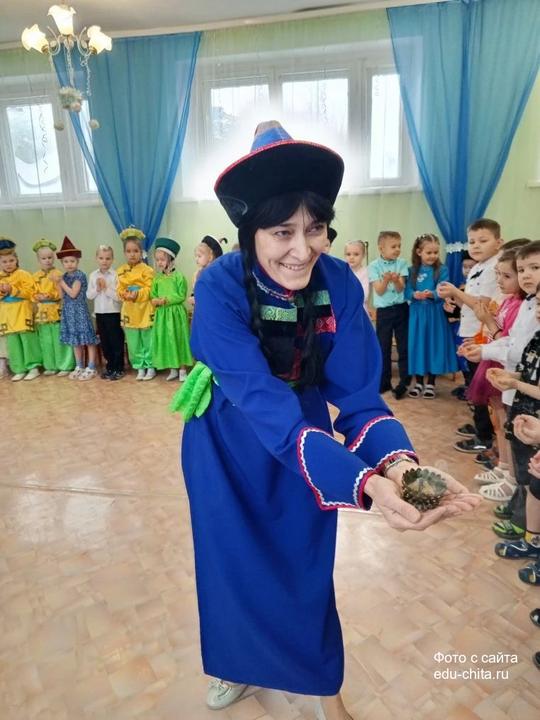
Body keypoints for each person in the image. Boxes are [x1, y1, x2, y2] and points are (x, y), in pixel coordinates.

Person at [176, 120, 480, 720]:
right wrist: (362, 483)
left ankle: (323, 693)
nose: (302, 249)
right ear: (250, 232)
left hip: (306, 429)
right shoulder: (218, 285)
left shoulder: (338, 280)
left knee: (303, 564)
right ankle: (236, 665)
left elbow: (361, 398)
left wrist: (400, 468)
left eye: (314, 228)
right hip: (228, 438)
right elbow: (262, 402)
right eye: (281, 231)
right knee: (231, 563)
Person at [466, 242, 540, 541]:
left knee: (529, 465)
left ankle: (525, 525)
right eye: (522, 269)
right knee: (521, 455)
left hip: (528, 394)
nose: (526, 275)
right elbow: (514, 344)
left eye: (534, 268)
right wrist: (483, 351)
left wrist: (514, 379)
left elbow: (520, 350)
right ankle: (520, 512)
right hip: (519, 388)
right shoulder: (529, 304)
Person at [438, 218, 502, 453]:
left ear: (498, 242)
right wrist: (453, 300)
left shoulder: (494, 268)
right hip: (469, 333)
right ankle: (479, 425)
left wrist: (456, 291)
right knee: (471, 384)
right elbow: (468, 302)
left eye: (482, 241)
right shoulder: (476, 267)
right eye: (472, 241)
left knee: (481, 389)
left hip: (482, 336)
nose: (475, 246)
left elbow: (481, 304)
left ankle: (484, 436)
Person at [466, 248, 524, 501]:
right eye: (498, 274)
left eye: (506, 275)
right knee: (500, 423)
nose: (499, 280)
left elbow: (509, 340)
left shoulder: (520, 305)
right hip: (496, 362)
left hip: (507, 370)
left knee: (507, 424)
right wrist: (480, 345)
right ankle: (504, 467)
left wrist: (487, 323)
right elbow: (499, 335)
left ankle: (511, 477)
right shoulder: (509, 300)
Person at [404, 233, 458, 398]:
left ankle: (431, 383)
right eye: (429, 252)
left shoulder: (442, 270)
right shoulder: (411, 270)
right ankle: (419, 382)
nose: (433, 256)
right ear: (419, 252)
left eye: (435, 252)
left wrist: (432, 293)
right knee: (418, 346)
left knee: (434, 346)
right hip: (417, 315)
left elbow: (443, 289)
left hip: (435, 314)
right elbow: (407, 290)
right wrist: (414, 294)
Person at [368, 230, 410, 398]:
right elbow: (379, 290)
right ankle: (384, 381)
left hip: (401, 309)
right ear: (381, 248)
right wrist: (386, 280)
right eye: (393, 246)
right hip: (384, 312)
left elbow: (401, 288)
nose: (397, 249)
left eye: (399, 246)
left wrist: (396, 280)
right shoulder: (373, 266)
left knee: (403, 346)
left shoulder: (402, 263)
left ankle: (404, 383)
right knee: (383, 346)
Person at [54, 236, 98, 380]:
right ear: (62, 263)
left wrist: (61, 281)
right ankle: (79, 366)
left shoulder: (79, 275)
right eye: (66, 261)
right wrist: (57, 283)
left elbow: (73, 294)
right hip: (68, 311)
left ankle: (91, 366)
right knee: (75, 340)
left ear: (77, 261)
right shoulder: (64, 276)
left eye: (72, 261)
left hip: (79, 311)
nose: (69, 264)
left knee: (88, 339)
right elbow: (62, 295)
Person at [150, 238, 193, 381]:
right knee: (167, 340)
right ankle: (172, 368)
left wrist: (166, 300)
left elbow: (181, 295)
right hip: (162, 314)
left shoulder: (179, 277)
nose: (159, 263)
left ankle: (182, 369)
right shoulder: (157, 279)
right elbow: (153, 294)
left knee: (179, 338)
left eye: (162, 259)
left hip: (176, 314)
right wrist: (155, 300)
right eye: (157, 260)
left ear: (171, 259)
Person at [0, 238, 42, 381]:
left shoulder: (24, 274)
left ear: (16, 260)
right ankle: (18, 368)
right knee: (13, 342)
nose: (8, 264)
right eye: (4, 262)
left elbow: (31, 292)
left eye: (11, 260)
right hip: (7, 314)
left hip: (22, 310)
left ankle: (33, 367)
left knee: (27, 340)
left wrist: (12, 289)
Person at [117, 227, 155, 381]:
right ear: (124, 253)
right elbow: (119, 289)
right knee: (133, 341)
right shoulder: (121, 270)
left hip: (144, 309)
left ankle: (150, 366)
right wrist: (124, 294)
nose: (132, 254)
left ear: (141, 252)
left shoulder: (147, 270)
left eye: (135, 251)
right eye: (128, 251)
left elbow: (150, 289)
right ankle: (139, 366)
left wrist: (137, 294)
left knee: (148, 339)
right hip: (129, 310)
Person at [32, 239, 75, 377]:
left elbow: (62, 293)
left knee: (59, 338)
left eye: (50, 257)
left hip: (57, 310)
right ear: (38, 260)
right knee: (46, 340)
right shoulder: (35, 276)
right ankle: (50, 365)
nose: (47, 261)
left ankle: (65, 365)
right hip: (42, 312)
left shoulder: (59, 274)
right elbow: (32, 293)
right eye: (44, 258)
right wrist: (37, 296)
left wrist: (51, 295)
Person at [87, 245, 125, 381]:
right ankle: (110, 367)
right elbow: (89, 295)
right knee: (105, 342)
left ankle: (119, 368)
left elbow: (119, 297)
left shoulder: (116, 275)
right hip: (99, 314)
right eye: (101, 258)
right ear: (96, 258)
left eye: (108, 258)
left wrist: (106, 288)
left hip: (113, 313)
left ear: (112, 259)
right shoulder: (93, 275)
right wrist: (97, 289)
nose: (104, 261)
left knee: (116, 341)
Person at [188, 235, 227, 310]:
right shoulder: (198, 273)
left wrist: (198, 300)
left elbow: (215, 296)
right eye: (195, 256)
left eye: (199, 256)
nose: (196, 259)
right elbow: (196, 292)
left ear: (210, 256)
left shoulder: (216, 274)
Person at [344, 240, 369, 311]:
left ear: (364, 255)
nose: (351, 257)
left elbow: (364, 295)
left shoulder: (366, 273)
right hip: (345, 309)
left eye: (356, 254)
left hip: (360, 310)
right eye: (348, 254)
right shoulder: (343, 272)